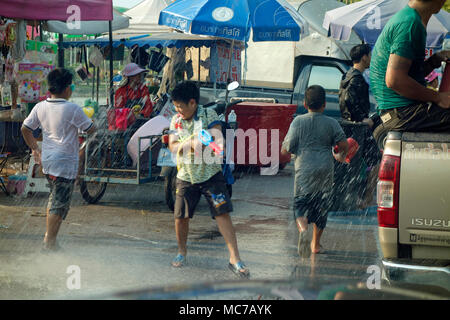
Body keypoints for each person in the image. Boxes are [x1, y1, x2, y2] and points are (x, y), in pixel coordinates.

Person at [168, 81, 249, 278]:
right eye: (175, 106)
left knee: (222, 214)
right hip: (186, 175)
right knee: (181, 217)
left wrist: (209, 142)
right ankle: (182, 252)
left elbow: (218, 142)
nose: (178, 110)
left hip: (211, 175)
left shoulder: (209, 115)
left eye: (181, 106)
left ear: (193, 103)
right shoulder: (175, 120)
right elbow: (172, 145)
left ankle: (235, 258)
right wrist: (190, 143)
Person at [21, 68, 96, 252]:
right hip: (64, 163)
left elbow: (25, 129)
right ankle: (49, 242)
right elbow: (91, 129)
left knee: (54, 199)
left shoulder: (40, 106)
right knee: (60, 205)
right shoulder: (72, 108)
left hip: (48, 161)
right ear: (67, 89)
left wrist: (35, 148)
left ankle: (51, 239)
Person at [281, 85, 349, 257]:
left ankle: (303, 229)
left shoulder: (298, 121)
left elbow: (287, 148)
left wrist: (286, 150)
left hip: (304, 168)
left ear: (305, 103)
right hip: (325, 169)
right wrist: (338, 154)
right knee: (321, 207)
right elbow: (343, 145)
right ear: (324, 104)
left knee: (300, 204)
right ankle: (315, 244)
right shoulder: (331, 123)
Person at [370, 0, 450, 133]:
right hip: (402, 113)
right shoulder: (410, 23)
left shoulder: (409, 18)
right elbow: (395, 81)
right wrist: (438, 97)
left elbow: (409, 75)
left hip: (399, 112)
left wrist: (434, 60)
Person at [339, 44, 382, 208]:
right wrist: (361, 119)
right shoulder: (356, 78)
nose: (371, 58)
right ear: (364, 57)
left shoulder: (347, 75)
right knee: (375, 160)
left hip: (349, 127)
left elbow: (344, 100)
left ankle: (356, 197)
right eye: (369, 55)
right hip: (359, 127)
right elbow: (349, 99)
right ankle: (367, 198)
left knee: (353, 162)